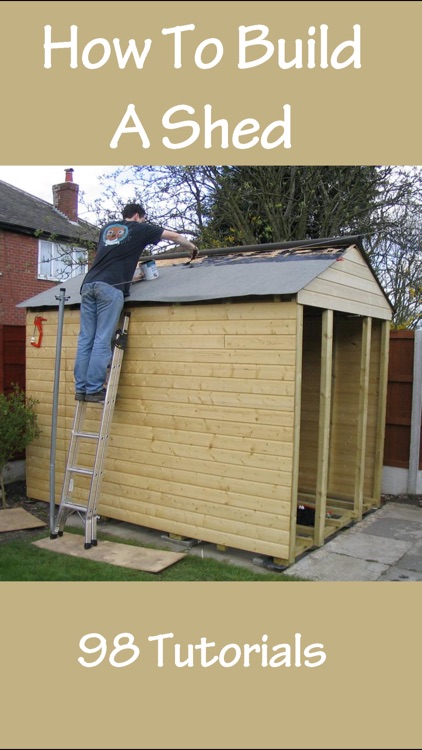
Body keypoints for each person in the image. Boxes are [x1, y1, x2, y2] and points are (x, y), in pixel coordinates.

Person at [74, 203, 198, 402]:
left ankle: (80, 389)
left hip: (88, 285)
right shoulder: (140, 228)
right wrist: (191, 247)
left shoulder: (108, 229)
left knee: (85, 339)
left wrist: (131, 278)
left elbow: (111, 261)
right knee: (102, 338)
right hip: (110, 289)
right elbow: (174, 236)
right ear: (138, 216)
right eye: (143, 218)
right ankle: (94, 390)